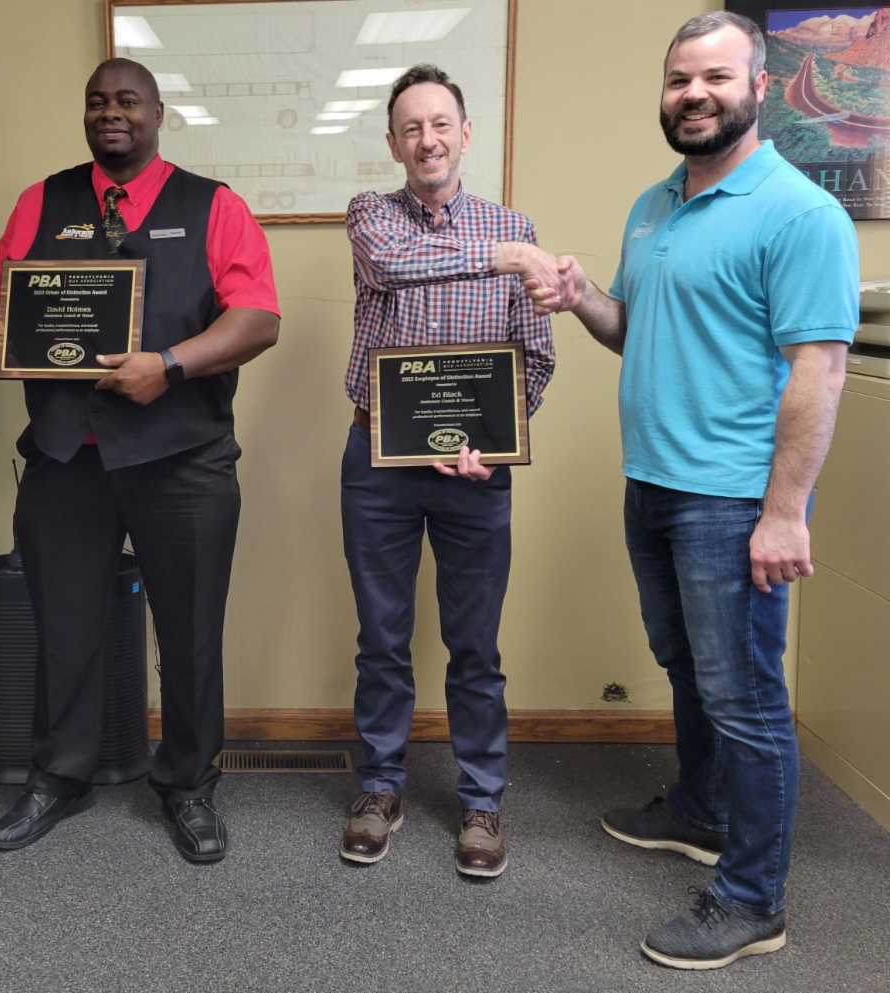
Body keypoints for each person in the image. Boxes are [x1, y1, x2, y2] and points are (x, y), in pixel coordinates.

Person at [529, 12, 858, 970]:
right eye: (679, 80)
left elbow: (820, 370)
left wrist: (784, 512)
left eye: (715, 77)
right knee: (685, 665)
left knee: (745, 697)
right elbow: (634, 328)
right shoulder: (654, 204)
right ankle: (702, 810)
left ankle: (754, 899)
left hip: (733, 500)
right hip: (653, 482)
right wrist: (582, 297)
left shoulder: (799, 213)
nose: (694, 94)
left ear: (760, 86)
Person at [0, 58, 279, 862]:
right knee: (63, 626)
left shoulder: (213, 205)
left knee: (190, 634)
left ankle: (188, 785)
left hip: (183, 458)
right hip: (66, 455)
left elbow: (258, 318)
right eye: (97, 101)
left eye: (128, 101)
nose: (111, 113)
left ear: (157, 113)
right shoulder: (41, 201)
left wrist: (168, 366)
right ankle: (59, 775)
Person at [339, 64, 556, 876]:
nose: (427, 139)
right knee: (381, 638)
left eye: (440, 124)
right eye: (411, 127)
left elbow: (536, 355)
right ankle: (380, 787)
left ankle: (481, 801)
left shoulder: (514, 224)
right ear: (393, 143)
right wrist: (505, 256)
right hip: (378, 461)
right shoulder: (371, 218)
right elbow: (398, 265)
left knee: (475, 645)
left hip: (475, 473)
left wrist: (492, 441)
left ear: (465, 134)